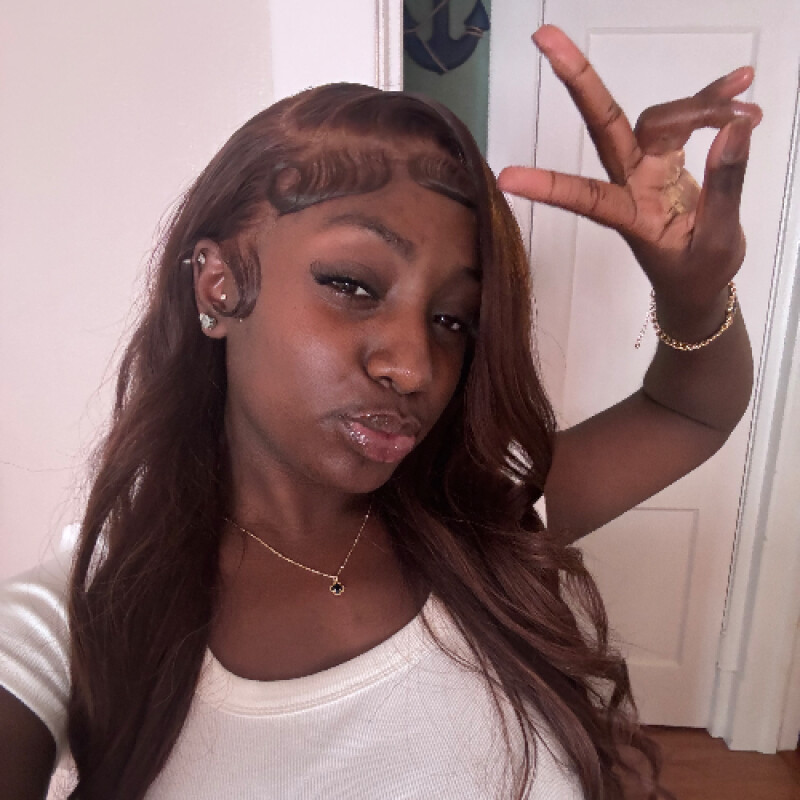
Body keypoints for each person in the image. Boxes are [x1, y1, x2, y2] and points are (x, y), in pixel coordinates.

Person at [0, 25, 760, 800]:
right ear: (218, 285)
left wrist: (695, 298)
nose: (414, 366)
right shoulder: (82, 618)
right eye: (353, 285)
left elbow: (688, 410)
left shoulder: (480, 519)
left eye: (453, 319)